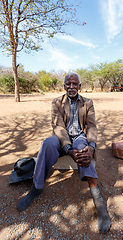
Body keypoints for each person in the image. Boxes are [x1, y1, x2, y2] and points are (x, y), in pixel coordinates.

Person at [17, 73, 111, 234]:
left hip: (80, 136)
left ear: (80, 86)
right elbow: (58, 127)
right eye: (68, 84)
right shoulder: (57, 102)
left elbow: (91, 126)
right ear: (64, 86)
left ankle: (98, 199)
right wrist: (68, 149)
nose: (71, 87)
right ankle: (36, 187)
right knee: (47, 143)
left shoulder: (88, 103)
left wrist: (92, 146)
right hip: (61, 138)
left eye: (75, 84)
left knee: (84, 151)